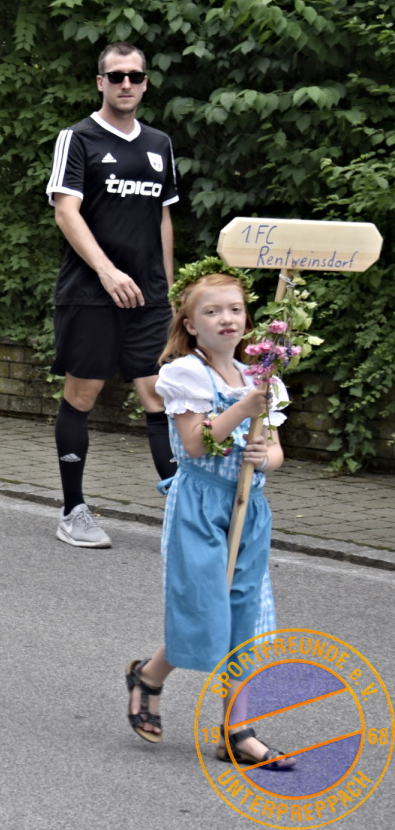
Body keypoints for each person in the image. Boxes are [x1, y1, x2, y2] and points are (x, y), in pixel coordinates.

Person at [122, 268, 294, 769]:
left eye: (235, 309)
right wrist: (243, 408)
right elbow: (196, 445)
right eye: (212, 311)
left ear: (247, 320)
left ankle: (237, 732)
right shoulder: (184, 374)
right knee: (204, 611)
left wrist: (265, 457)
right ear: (191, 324)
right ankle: (149, 676)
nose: (226, 318)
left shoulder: (262, 379)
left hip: (249, 507)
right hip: (201, 504)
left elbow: (277, 452)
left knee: (246, 618)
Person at [44, 42, 181, 548]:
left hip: (148, 297)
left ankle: (184, 510)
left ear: (145, 83)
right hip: (91, 293)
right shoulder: (77, 138)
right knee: (83, 393)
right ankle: (73, 511)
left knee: (159, 394)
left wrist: (169, 291)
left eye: (135, 76)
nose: (127, 83)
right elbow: (66, 212)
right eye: (117, 75)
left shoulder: (160, 143)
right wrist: (105, 271)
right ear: (100, 82)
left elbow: (162, 216)